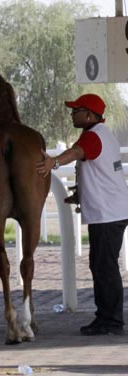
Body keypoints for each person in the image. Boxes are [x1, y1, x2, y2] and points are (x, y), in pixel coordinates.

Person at [37, 94, 127, 336]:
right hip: (111, 211)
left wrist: (53, 162)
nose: (71, 114)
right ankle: (108, 317)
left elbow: (76, 153)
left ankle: (111, 320)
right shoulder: (103, 134)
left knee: (104, 267)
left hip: (107, 214)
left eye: (76, 110)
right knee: (103, 266)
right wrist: (82, 194)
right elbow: (100, 171)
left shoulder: (92, 136)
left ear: (89, 115)